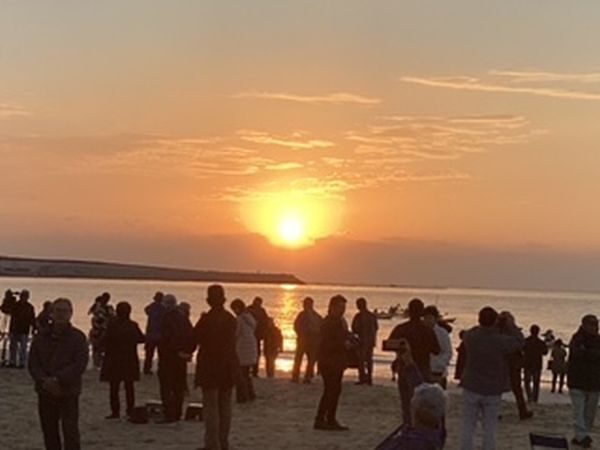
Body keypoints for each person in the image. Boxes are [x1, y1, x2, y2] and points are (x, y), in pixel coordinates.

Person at [28, 298, 89, 450]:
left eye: (65, 311)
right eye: (58, 310)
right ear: (51, 313)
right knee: (49, 431)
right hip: (45, 390)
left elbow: (79, 364)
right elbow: (33, 363)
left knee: (70, 432)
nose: (61, 314)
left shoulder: (78, 337)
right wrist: (44, 380)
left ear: (71, 314)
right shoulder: (40, 337)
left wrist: (58, 379)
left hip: (68, 391)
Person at [460, 307, 524, 450]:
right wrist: (510, 324)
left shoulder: (471, 337)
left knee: (468, 426)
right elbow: (520, 341)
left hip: (472, 385)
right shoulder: (500, 341)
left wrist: (490, 324)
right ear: (495, 321)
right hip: (493, 389)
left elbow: (469, 332)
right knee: (490, 428)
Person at [376, 338, 447, 450]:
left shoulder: (409, 442)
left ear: (414, 410)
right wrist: (409, 361)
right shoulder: (438, 433)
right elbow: (421, 390)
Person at [193, 284, 238, 450]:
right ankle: (223, 442)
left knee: (211, 407)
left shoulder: (206, 320)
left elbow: (194, 338)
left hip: (210, 366)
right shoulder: (230, 319)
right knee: (225, 406)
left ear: (208, 300)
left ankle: (212, 444)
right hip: (228, 365)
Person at [388, 298, 440, 425]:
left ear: (409, 312)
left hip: (405, 367)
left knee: (406, 401)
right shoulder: (427, 330)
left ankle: (407, 425)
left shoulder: (401, 328)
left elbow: (388, 345)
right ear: (422, 312)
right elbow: (436, 350)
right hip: (422, 368)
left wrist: (402, 349)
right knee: (422, 402)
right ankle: (419, 426)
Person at [100, 301, 145, 419]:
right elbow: (141, 339)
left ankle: (115, 412)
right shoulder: (133, 325)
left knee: (114, 387)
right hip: (129, 359)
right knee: (129, 387)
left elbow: (105, 340)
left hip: (114, 359)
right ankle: (130, 410)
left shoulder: (112, 325)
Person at [314, 294, 351, 431]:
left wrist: (349, 338)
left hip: (337, 361)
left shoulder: (339, 321)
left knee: (335, 391)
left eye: (344, 307)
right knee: (330, 390)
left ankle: (330, 418)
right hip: (329, 361)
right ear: (332, 307)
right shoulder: (328, 322)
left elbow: (340, 337)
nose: (342, 310)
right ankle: (321, 419)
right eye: (340, 307)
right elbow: (326, 343)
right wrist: (343, 344)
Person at [157, 294, 194, 423]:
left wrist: (176, 350)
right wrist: (188, 352)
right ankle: (177, 413)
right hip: (181, 357)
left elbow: (166, 338)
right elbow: (191, 335)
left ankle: (169, 414)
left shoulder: (166, 319)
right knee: (179, 386)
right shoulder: (184, 318)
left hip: (168, 357)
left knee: (167, 386)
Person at [567, 314, 600, 448]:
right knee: (579, 410)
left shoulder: (598, 340)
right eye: (592, 324)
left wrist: (588, 353)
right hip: (578, 381)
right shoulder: (577, 339)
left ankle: (581, 435)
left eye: (596, 324)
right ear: (584, 325)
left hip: (594, 382)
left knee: (589, 412)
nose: (594, 327)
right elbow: (578, 353)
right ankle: (581, 435)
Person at [500, 311, 533, 421]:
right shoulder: (512, 332)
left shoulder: (497, 331)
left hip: (504, 362)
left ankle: (497, 411)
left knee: (501, 388)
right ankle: (522, 411)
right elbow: (521, 342)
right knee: (516, 388)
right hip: (511, 362)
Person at [230, 299, 257, 403]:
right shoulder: (250, 318)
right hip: (251, 346)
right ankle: (250, 394)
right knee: (246, 373)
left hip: (242, 348)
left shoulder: (240, 319)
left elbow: (236, 333)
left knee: (241, 374)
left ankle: (243, 396)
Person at [291, 296, 322, 384]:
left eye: (306, 304)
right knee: (299, 358)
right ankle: (296, 376)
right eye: (304, 304)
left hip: (311, 340)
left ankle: (307, 376)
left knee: (311, 359)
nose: (305, 305)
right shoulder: (302, 315)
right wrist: (300, 334)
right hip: (303, 339)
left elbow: (321, 327)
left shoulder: (316, 316)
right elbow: (296, 326)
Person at [423, 305, 452, 389]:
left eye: (429, 318)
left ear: (435, 318)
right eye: (425, 318)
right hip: (424, 370)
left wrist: (440, 364)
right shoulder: (421, 332)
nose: (427, 320)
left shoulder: (442, 333)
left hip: (438, 371)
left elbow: (448, 352)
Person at [351, 297, 378, 385]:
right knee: (369, 360)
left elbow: (355, 328)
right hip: (371, 341)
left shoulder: (359, 316)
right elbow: (377, 327)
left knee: (361, 360)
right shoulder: (372, 316)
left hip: (362, 341)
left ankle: (362, 378)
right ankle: (369, 378)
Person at [8, 289, 36, 368]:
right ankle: (12, 361)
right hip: (14, 328)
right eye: (23, 296)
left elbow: (32, 318)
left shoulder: (30, 307)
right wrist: (10, 297)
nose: (24, 297)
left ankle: (22, 363)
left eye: (25, 296)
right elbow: (5, 309)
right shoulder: (15, 305)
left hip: (24, 329)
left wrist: (34, 328)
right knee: (13, 347)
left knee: (23, 348)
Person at [523, 324, 548, 403]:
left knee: (527, 382)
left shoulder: (526, 341)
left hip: (527, 363)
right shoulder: (540, 342)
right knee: (536, 383)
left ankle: (529, 397)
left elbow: (522, 350)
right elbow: (545, 352)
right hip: (537, 364)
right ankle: (535, 398)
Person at [88, 292, 114, 369]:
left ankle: (99, 363)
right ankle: (97, 364)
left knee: (101, 348)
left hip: (103, 330)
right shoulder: (98, 307)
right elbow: (97, 316)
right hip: (98, 330)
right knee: (97, 348)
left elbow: (112, 317)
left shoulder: (108, 308)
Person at [143, 291, 164, 375]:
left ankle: (147, 368)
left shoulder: (151, 307)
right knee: (160, 354)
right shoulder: (163, 308)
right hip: (158, 334)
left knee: (149, 354)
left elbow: (146, 311)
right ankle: (159, 369)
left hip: (151, 334)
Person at [247, 296, 269, 377]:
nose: (258, 304)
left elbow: (265, 322)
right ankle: (249, 370)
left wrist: (265, 333)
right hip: (250, 335)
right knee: (250, 353)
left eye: (259, 303)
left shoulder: (262, 311)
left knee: (257, 353)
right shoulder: (249, 310)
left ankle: (255, 372)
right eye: (257, 302)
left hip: (258, 335)